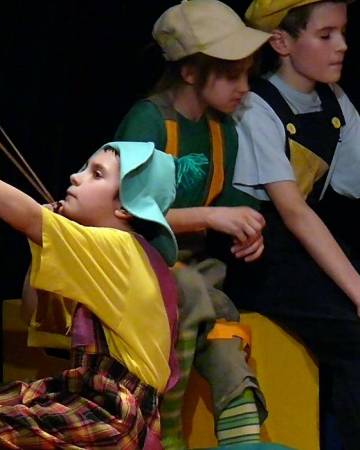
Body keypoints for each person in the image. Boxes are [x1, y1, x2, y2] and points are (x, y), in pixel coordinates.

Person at [0, 119, 205, 449]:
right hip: (83, 393)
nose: (76, 176)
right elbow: (34, 312)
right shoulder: (96, 257)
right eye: (85, 168)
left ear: (126, 208)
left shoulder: (122, 249)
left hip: (115, 413)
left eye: (96, 174)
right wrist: (41, 241)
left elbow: (28, 217)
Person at [114, 1, 271, 447]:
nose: (244, 88)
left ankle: (242, 430)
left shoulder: (223, 129)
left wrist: (248, 228)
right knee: (192, 293)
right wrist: (209, 216)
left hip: (194, 273)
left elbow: (230, 201)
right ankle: (167, 428)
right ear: (188, 72)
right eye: (231, 75)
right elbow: (121, 213)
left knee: (220, 332)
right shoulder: (150, 121)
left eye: (247, 74)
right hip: (139, 265)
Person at [219, 1, 360, 448]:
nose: (342, 45)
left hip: (309, 241)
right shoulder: (257, 108)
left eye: (342, 32)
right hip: (260, 252)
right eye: (326, 35)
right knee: (353, 336)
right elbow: (293, 212)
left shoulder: (335, 100)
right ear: (281, 42)